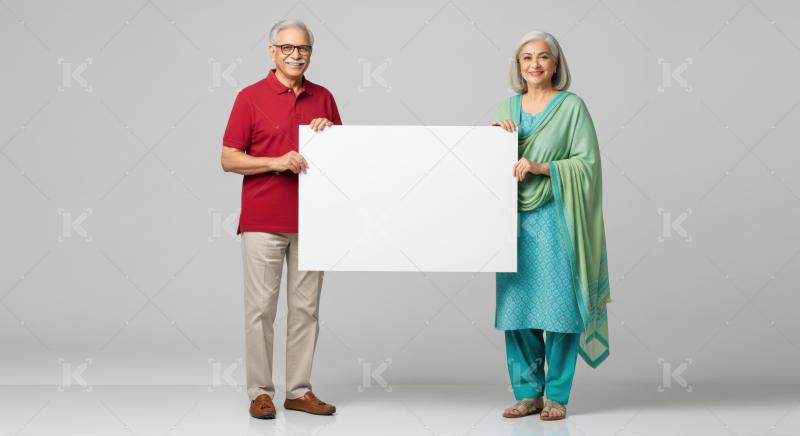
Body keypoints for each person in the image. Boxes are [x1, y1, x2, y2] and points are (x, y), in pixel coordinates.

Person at [220, 19, 341, 419]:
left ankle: (299, 390)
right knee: (260, 310)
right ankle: (260, 391)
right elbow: (228, 157)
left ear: (310, 54)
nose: (295, 55)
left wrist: (330, 136)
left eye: (303, 49)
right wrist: (275, 162)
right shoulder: (249, 97)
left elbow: (347, 161)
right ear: (272, 52)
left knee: (306, 311)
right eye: (287, 48)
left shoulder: (324, 97)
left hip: (314, 221)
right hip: (263, 220)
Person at [491, 30, 611, 421]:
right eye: (527, 58)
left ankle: (557, 395)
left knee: (560, 311)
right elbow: (483, 173)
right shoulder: (506, 109)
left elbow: (588, 165)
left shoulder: (572, 107)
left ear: (556, 64)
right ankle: (528, 394)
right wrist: (491, 143)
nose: (535, 65)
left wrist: (544, 168)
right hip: (513, 223)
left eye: (543, 57)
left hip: (558, 219)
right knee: (518, 310)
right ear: (518, 65)